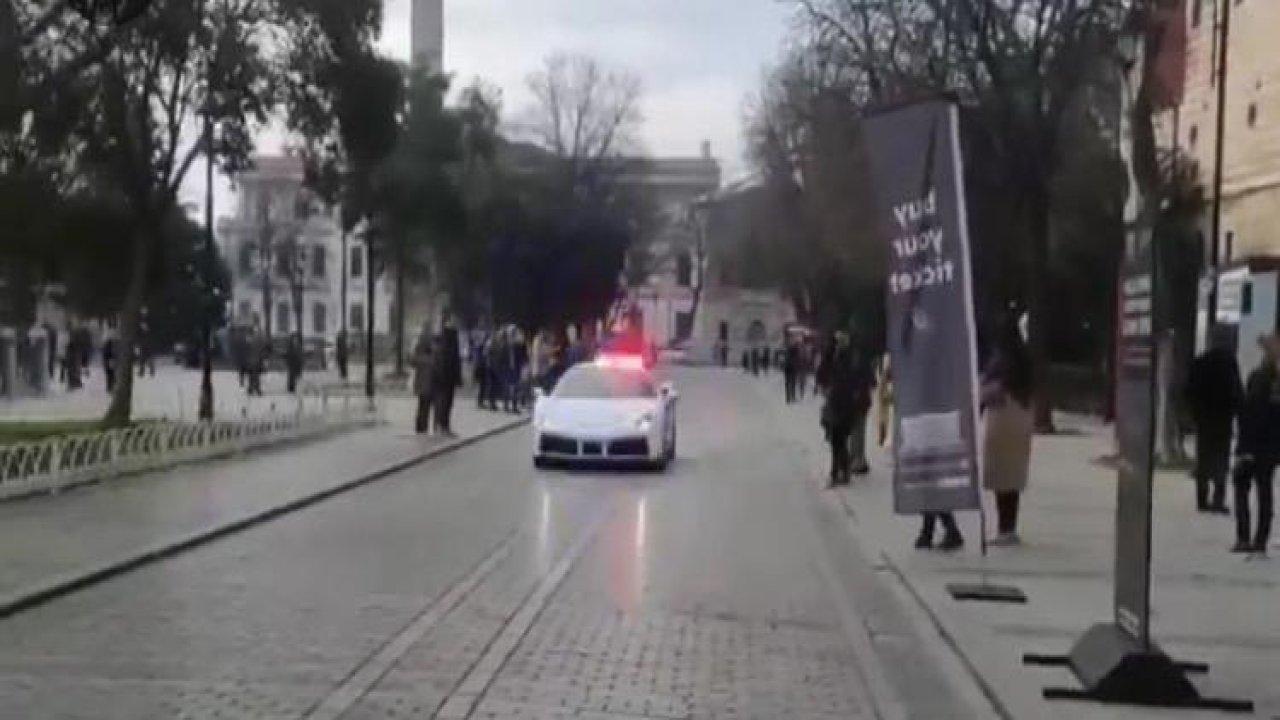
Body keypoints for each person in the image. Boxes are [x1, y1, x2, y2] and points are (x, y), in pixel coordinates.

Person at [981, 319, 1035, 546]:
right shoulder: (1024, 358)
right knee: (1012, 478)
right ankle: (1010, 528)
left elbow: (990, 389)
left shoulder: (999, 359)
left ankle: (1004, 529)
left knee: (1000, 477)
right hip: (1021, 419)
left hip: (1001, 420)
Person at [1231, 334, 1280, 557]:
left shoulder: (1259, 379)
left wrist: (1244, 447)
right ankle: (1261, 538)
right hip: (1271, 447)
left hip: (1253, 445)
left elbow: (1250, 413)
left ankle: (1243, 537)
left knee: (1242, 487)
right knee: (1265, 491)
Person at [1186, 325, 1243, 514]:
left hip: (1204, 420)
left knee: (1203, 458)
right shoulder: (1229, 364)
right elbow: (1237, 393)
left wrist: (1194, 414)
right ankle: (1218, 498)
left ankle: (1201, 498)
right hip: (1222, 420)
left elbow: (1189, 392)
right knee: (1220, 459)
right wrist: (1237, 414)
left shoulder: (1200, 363)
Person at [817, 332, 857, 487]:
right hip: (840, 403)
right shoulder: (840, 358)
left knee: (838, 440)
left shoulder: (843, 360)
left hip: (841, 404)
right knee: (838, 440)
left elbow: (824, 374)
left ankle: (838, 472)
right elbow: (822, 373)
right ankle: (841, 471)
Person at [434, 321, 462, 436]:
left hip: (444, 378)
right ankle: (443, 426)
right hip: (447, 378)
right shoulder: (450, 346)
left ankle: (441, 425)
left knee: (444, 402)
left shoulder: (442, 344)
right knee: (445, 403)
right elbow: (453, 363)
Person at [411, 325, 435, 434]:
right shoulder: (430, 353)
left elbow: (413, 362)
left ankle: (421, 426)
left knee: (422, 405)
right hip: (427, 382)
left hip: (421, 382)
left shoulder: (419, 349)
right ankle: (422, 427)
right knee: (425, 405)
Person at [783, 338, 801, 404]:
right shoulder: (795, 352)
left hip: (788, 369)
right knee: (792, 384)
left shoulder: (788, 351)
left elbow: (786, 360)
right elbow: (796, 361)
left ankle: (788, 398)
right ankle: (792, 397)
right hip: (792, 369)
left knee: (788, 384)